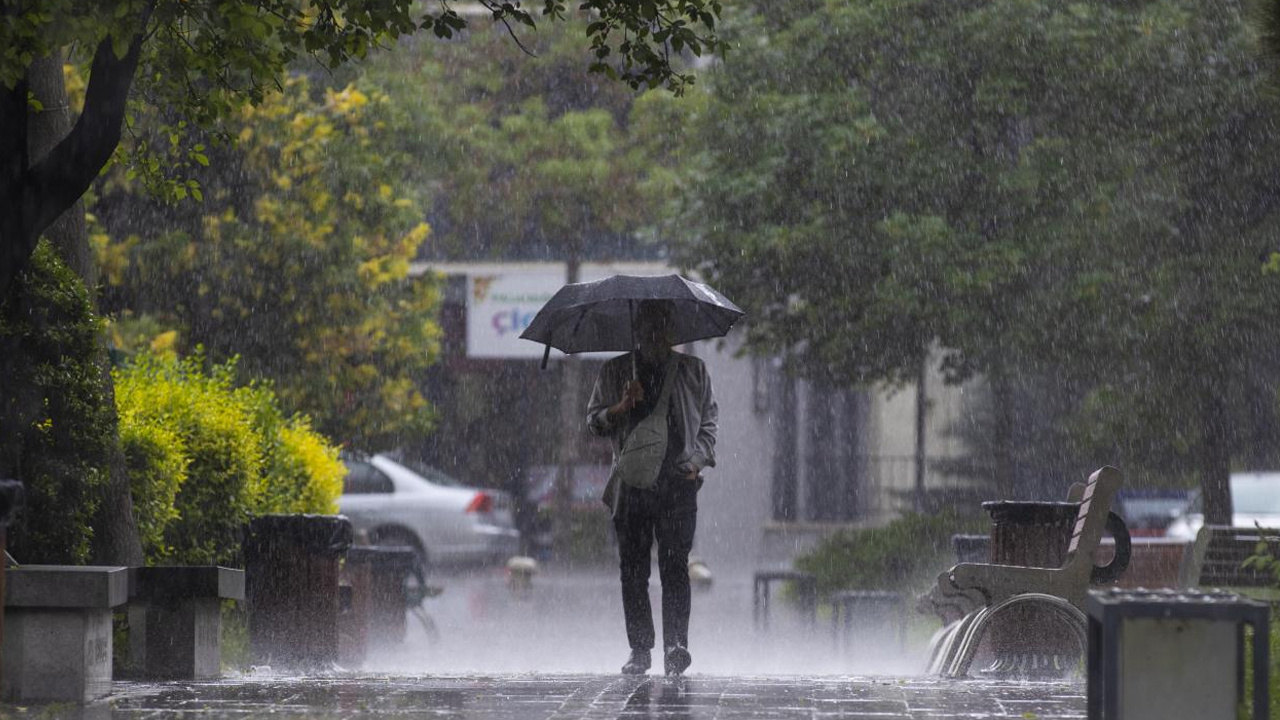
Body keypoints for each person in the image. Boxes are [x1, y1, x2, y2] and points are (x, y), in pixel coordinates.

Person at [586, 299, 719, 676]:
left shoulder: (693, 370)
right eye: (646, 326)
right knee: (633, 570)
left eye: (660, 326)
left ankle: (676, 647)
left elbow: (709, 421)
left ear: (671, 330)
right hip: (632, 487)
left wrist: (696, 462)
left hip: (679, 484)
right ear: (637, 330)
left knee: (675, 566)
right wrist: (621, 406)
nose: (653, 334)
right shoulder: (616, 371)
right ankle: (640, 650)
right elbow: (593, 422)